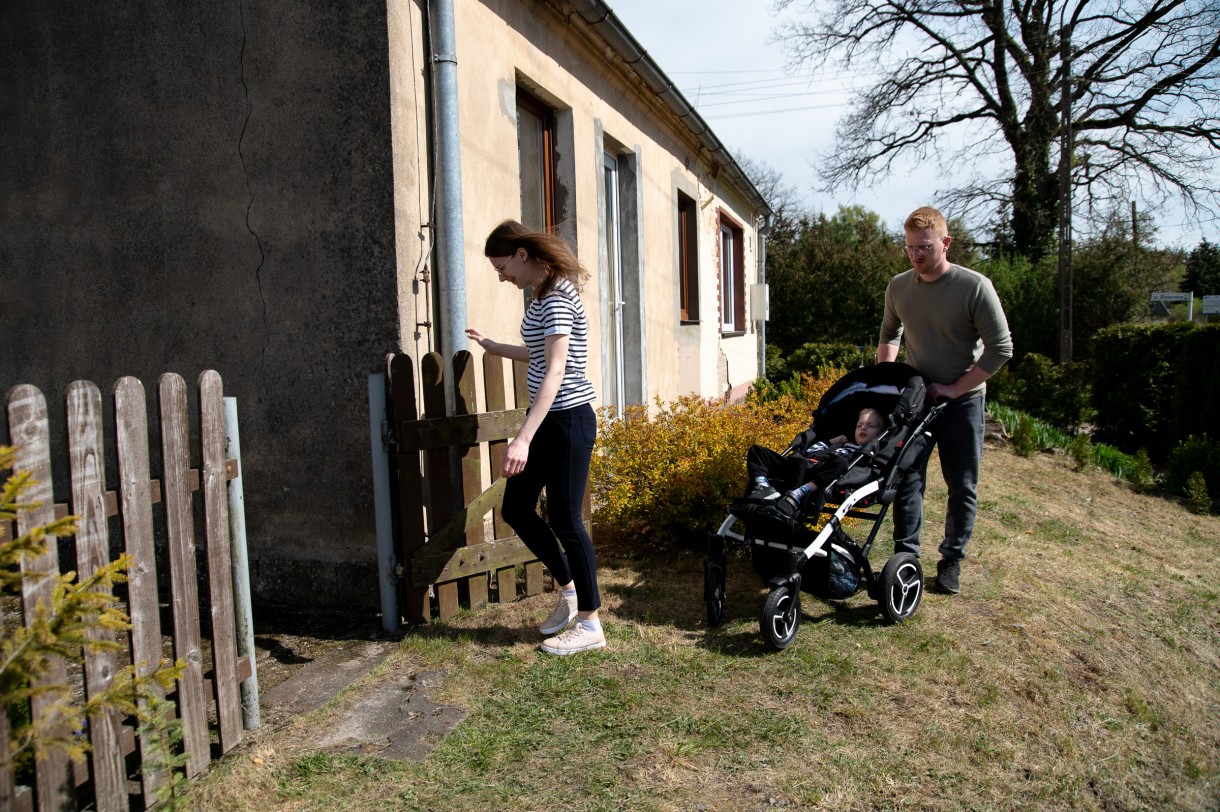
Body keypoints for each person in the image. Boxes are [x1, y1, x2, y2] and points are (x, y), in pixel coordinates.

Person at [465, 220, 603, 655]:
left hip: (567, 420)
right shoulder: (544, 297)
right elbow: (540, 353)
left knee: (565, 518)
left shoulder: (558, 298)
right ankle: (569, 592)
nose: (502, 277)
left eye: (501, 267)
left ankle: (591, 623)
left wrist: (523, 437)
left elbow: (558, 370)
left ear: (521, 255)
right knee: (517, 508)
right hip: (549, 419)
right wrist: (495, 346)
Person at [878, 206, 1013, 594]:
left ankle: (951, 560)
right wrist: (888, 383)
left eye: (924, 247)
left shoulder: (974, 287)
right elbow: (890, 334)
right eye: (909, 248)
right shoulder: (899, 286)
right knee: (906, 478)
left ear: (945, 243)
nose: (916, 256)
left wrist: (956, 389)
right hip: (917, 399)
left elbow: (1000, 349)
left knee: (962, 484)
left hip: (962, 402)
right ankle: (906, 558)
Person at [746, 407, 886, 516]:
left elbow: (848, 469)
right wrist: (833, 441)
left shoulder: (864, 454)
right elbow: (810, 451)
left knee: (841, 462)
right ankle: (763, 487)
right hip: (801, 465)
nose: (863, 428)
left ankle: (801, 492)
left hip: (821, 473)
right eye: (859, 425)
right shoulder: (842, 444)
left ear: (879, 434)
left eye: (871, 426)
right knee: (757, 451)